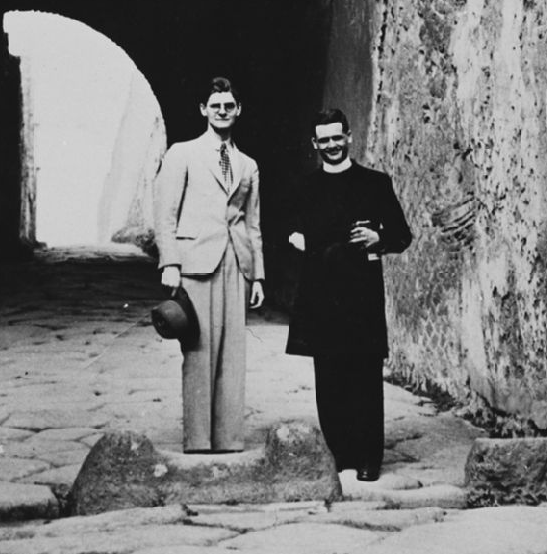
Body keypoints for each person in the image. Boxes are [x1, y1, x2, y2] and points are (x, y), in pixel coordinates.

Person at [286, 108, 412, 482]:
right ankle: (339, 455)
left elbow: (402, 236)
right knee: (329, 378)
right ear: (315, 144)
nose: (331, 145)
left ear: (349, 137)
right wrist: (298, 239)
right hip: (321, 295)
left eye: (336, 138)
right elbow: (289, 232)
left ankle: (369, 457)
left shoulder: (375, 183)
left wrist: (378, 238)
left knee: (365, 377)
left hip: (361, 296)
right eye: (324, 140)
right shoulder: (305, 188)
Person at [153, 76, 264, 452]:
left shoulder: (248, 165)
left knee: (233, 353)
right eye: (215, 105)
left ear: (238, 110)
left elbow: (253, 223)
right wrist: (170, 262)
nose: (222, 111)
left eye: (229, 105)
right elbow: (166, 213)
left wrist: (258, 275)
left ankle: (230, 438)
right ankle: (198, 439)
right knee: (198, 350)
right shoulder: (182, 154)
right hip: (196, 262)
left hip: (236, 263)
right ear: (203, 109)